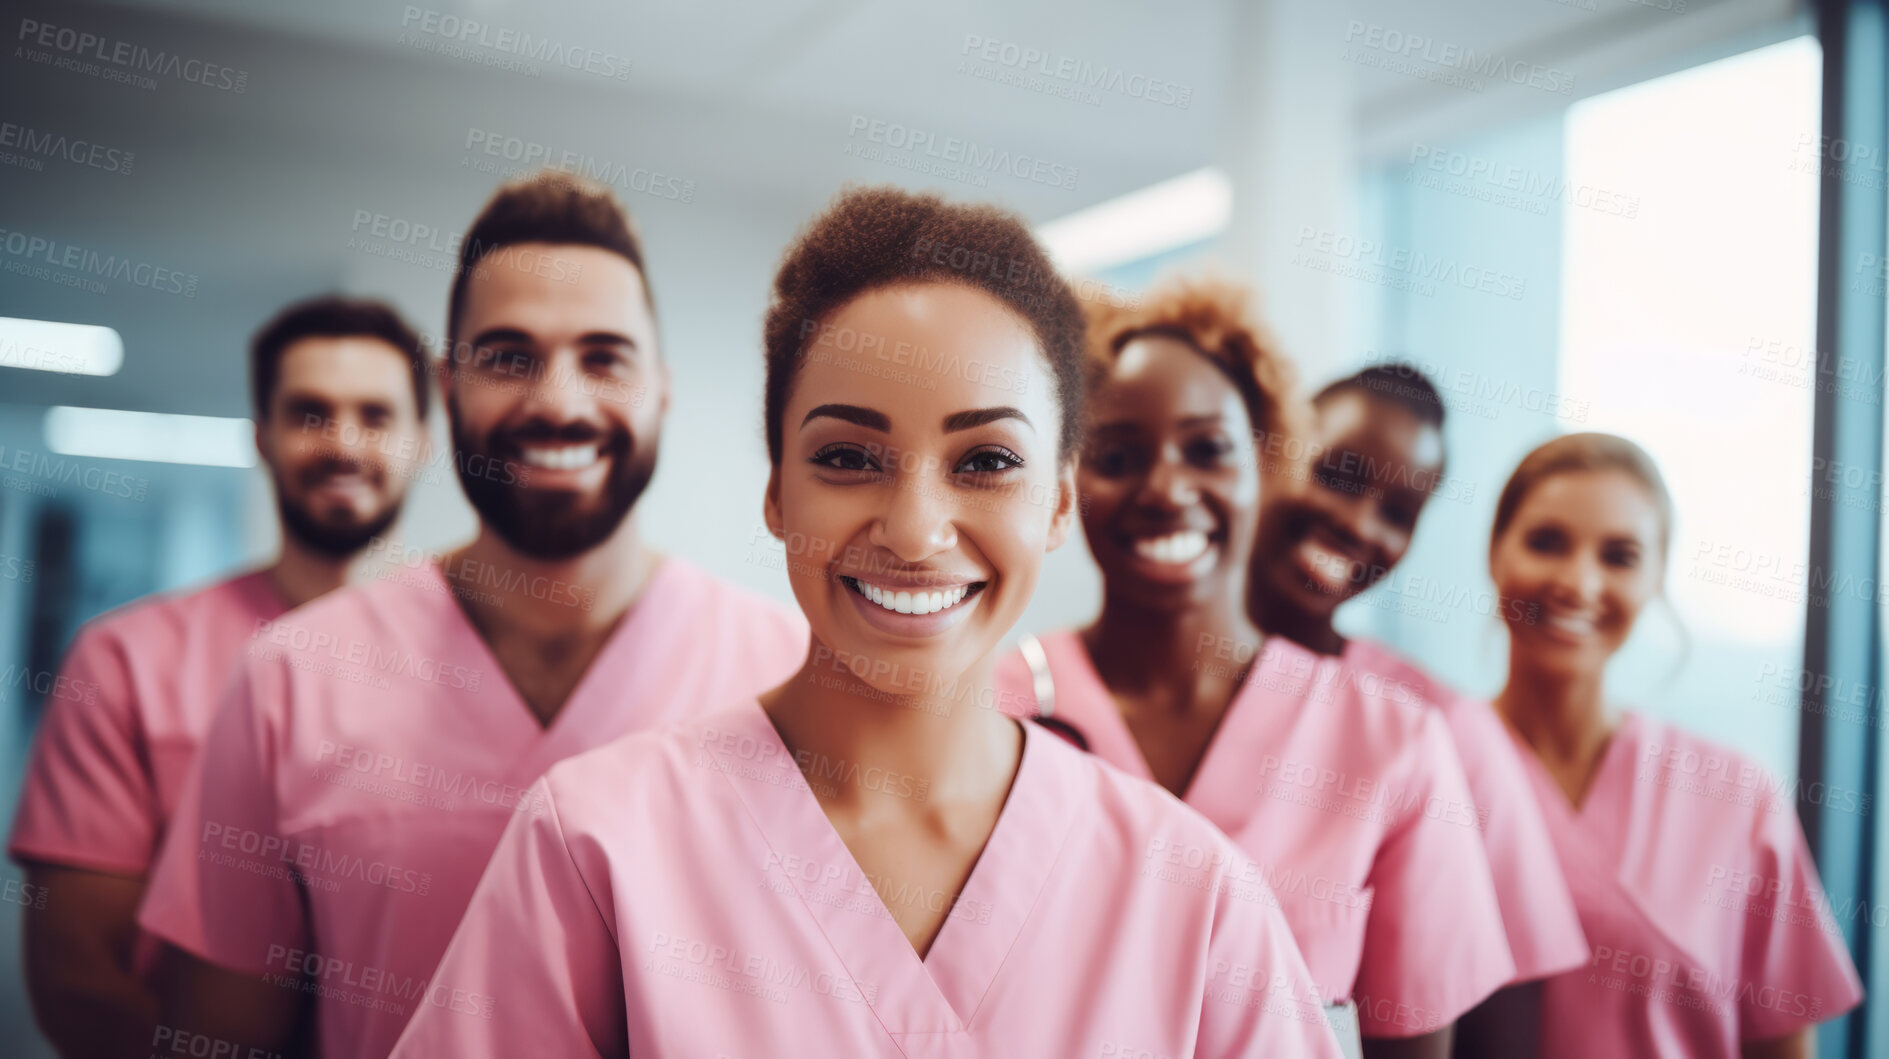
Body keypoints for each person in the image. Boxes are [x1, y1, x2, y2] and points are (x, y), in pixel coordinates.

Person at [390, 187, 1341, 1058]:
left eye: (985, 462)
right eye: (848, 456)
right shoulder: (598, 846)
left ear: (1058, 502)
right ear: (776, 492)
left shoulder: (1193, 895)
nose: (916, 531)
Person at [135, 171, 809, 1058]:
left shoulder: (792, 672)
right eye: (509, 356)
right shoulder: (291, 677)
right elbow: (220, 1035)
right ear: (448, 387)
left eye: (603, 356)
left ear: (662, 387)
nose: (559, 401)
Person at [996, 278, 1513, 1058]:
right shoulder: (979, 710)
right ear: (1064, 483)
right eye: (1118, 454)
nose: (1167, 487)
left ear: (1267, 463)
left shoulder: (1396, 746)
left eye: (1207, 449)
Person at [10, 295, 433, 1058]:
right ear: (262, 435)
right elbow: (77, 978)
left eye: (375, 415)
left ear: (424, 440)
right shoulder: (125, 660)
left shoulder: (478, 666)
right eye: (309, 412)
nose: (343, 442)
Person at [1247, 364, 1589, 1057]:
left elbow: (1505, 1017)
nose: (1357, 523)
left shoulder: (1442, 730)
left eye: (1398, 513)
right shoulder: (1096, 687)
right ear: (1268, 450)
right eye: (1338, 474)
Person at [1486, 433, 1862, 1057]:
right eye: (1546, 542)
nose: (1578, 582)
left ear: (1659, 579)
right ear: (1496, 552)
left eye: (1620, 556)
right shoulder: (1431, 768)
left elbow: (1783, 1043)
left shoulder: (1737, 796)